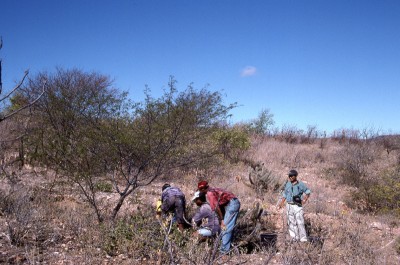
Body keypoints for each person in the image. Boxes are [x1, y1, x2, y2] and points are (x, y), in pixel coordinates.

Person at [198, 180, 240, 254]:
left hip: (232, 204)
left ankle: (224, 252)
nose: (200, 192)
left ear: (203, 189)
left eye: (200, 190)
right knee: (228, 227)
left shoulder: (209, 193)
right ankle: (227, 247)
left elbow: (217, 207)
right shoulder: (213, 189)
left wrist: (222, 220)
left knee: (225, 227)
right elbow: (221, 205)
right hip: (233, 203)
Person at [278, 169, 311, 242]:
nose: (290, 177)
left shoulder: (301, 184)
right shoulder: (288, 184)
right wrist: (281, 203)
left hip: (297, 205)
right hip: (289, 205)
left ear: (295, 176)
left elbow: (308, 191)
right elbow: (285, 194)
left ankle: (303, 239)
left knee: (300, 222)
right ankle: (294, 238)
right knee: (291, 223)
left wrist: (304, 200)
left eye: (291, 176)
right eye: (289, 176)